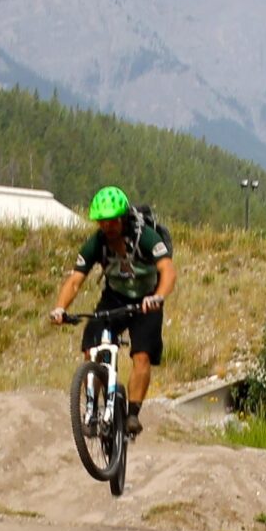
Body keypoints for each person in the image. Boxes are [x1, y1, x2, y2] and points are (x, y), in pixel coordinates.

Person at [49, 186, 176, 437]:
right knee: (91, 347)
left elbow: (168, 270)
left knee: (141, 356)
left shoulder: (145, 237)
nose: (108, 227)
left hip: (147, 300)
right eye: (102, 222)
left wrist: (158, 296)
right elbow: (75, 280)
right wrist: (60, 308)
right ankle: (93, 407)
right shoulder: (96, 243)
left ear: (123, 218)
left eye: (112, 221)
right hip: (114, 298)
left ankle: (132, 414)